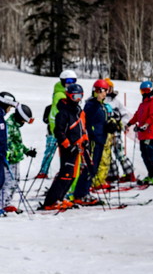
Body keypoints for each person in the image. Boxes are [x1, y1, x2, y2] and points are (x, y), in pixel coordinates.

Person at [42, 82, 88, 211]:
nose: (78, 99)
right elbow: (59, 132)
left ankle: (61, 198)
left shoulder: (78, 111)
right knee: (65, 174)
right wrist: (67, 145)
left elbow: (82, 128)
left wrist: (85, 140)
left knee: (73, 175)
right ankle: (51, 201)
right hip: (68, 148)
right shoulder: (63, 112)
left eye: (80, 96)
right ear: (68, 96)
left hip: (77, 147)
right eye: (75, 96)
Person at [72, 80, 113, 205]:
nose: (105, 94)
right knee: (90, 167)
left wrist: (109, 125)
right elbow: (88, 122)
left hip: (100, 138)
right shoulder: (92, 105)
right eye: (104, 91)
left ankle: (83, 192)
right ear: (97, 91)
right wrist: (91, 136)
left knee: (93, 168)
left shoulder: (101, 105)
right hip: (94, 139)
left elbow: (100, 122)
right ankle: (81, 194)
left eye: (107, 91)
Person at [126, 80, 153, 184]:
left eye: (146, 90)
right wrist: (129, 124)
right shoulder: (142, 104)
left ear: (151, 90)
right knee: (145, 156)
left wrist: (145, 125)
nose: (145, 93)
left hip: (150, 134)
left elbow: (152, 116)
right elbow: (137, 115)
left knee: (152, 156)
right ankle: (152, 174)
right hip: (143, 135)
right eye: (142, 91)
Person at [38, 70, 77, 179]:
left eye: (73, 81)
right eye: (68, 81)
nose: (71, 83)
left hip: (62, 128)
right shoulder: (60, 94)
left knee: (63, 151)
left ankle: (61, 170)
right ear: (62, 81)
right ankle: (43, 171)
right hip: (55, 128)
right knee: (51, 150)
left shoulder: (68, 92)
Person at [1, 102, 35, 213]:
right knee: (9, 182)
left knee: (15, 180)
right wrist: (7, 154)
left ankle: (8, 202)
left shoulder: (14, 125)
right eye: (23, 120)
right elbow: (6, 142)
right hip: (10, 159)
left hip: (15, 158)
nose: (23, 123)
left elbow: (17, 143)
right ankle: (3, 204)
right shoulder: (9, 126)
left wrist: (27, 151)